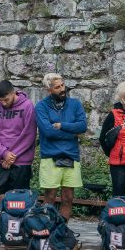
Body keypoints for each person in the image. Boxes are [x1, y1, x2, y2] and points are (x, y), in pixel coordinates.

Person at [35, 73, 87, 220]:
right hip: (51, 157)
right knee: (50, 197)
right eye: (57, 87)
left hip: (71, 155)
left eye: (63, 85)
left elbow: (82, 126)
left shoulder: (75, 104)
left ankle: (62, 230)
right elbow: (48, 131)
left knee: (68, 198)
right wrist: (72, 132)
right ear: (49, 90)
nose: (62, 89)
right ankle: (46, 229)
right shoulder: (41, 107)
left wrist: (62, 125)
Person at [0, 79, 36, 202]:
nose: (3, 103)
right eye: (0, 100)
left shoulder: (27, 105)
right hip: (0, 158)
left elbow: (29, 134)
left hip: (21, 159)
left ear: (13, 93)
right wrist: (4, 153)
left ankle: (14, 213)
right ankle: (8, 211)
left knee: (19, 196)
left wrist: (11, 155)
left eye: (6, 99)